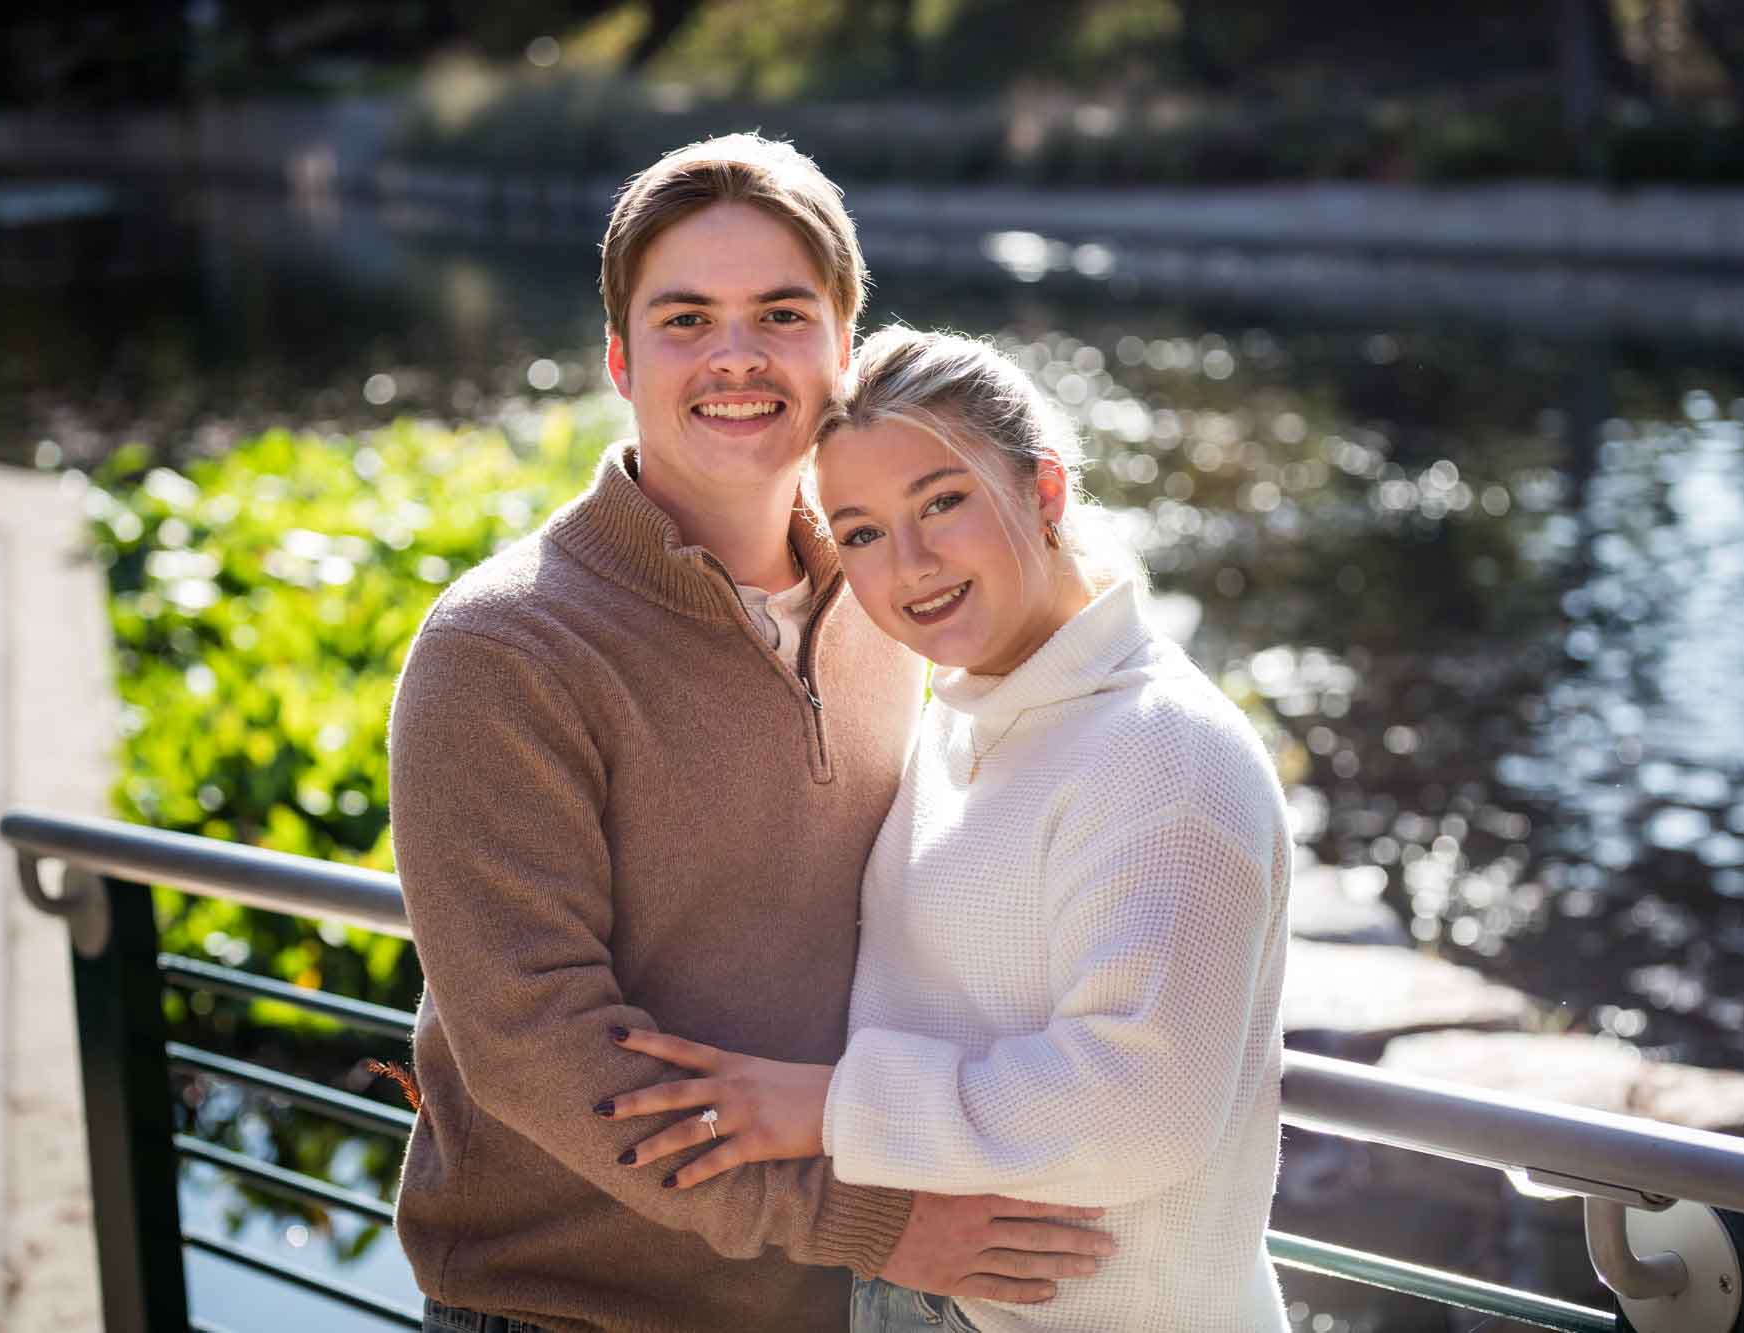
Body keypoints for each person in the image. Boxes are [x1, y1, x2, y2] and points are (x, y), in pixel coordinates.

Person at [385, 138, 1113, 1333]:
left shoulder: (886, 598)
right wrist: (864, 1220)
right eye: (685, 319)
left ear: (842, 350)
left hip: (828, 1307)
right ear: (620, 358)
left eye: (780, 313)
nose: (734, 355)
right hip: (570, 1310)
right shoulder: (500, 650)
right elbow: (537, 1047)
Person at [601, 327, 1295, 1332]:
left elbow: (1142, 1105)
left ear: (1043, 493)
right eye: (864, 532)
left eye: (941, 501)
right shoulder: (962, 718)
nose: (913, 564)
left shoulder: (1164, 756)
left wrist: (826, 1107)